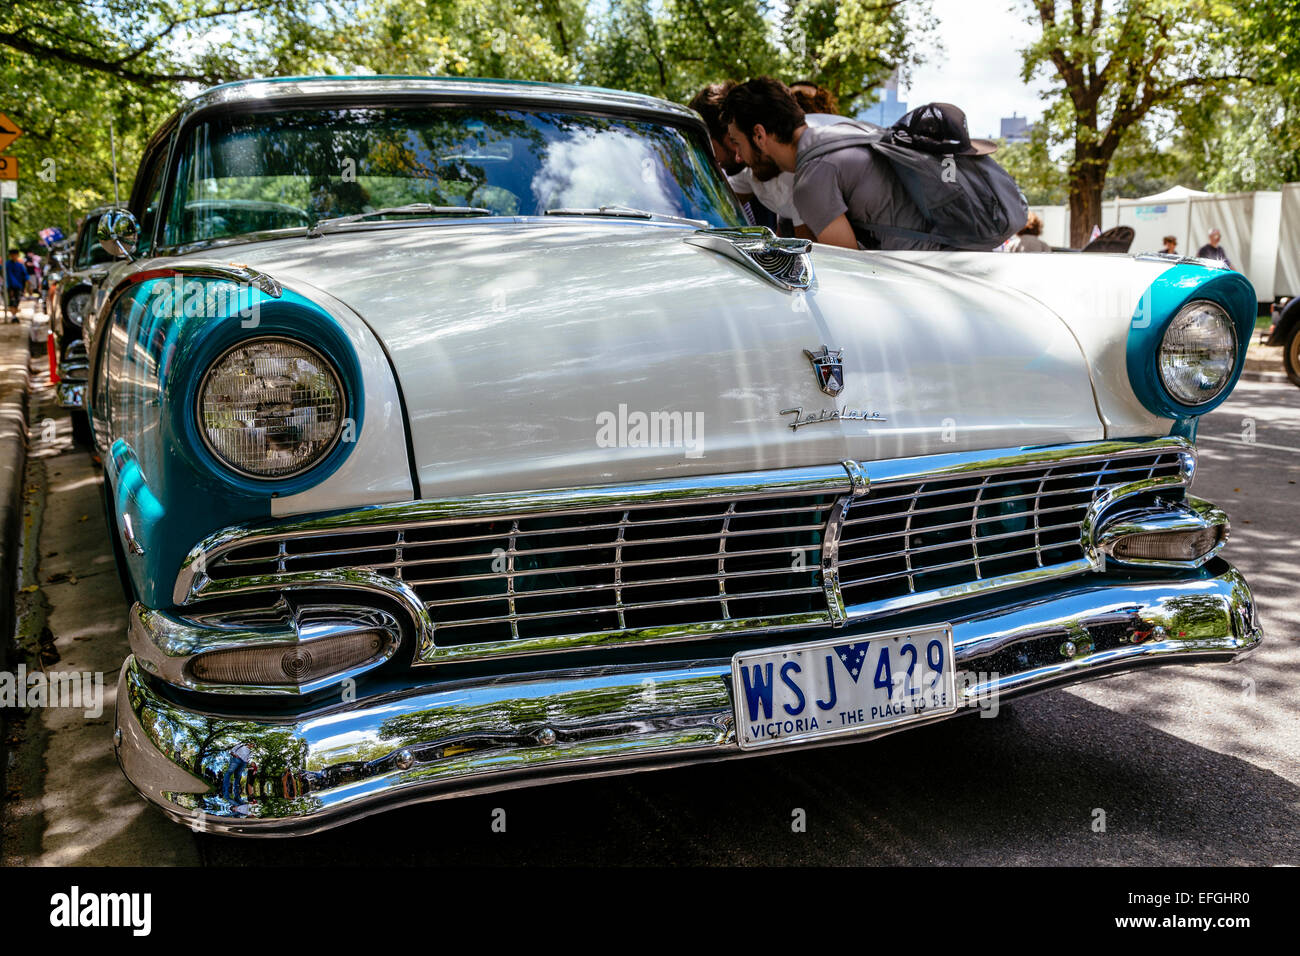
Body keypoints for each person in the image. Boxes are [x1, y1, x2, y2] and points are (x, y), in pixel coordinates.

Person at [721, 78, 942, 250]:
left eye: (737, 143)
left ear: (759, 135)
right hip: (951, 249)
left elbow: (845, 272)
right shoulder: (844, 133)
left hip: (927, 270)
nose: (738, 157)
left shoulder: (811, 180)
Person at [693, 81, 839, 238]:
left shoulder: (793, 167)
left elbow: (806, 250)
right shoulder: (751, 163)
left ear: (730, 138)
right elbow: (715, 211)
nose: (705, 158)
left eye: (705, 147)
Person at [5, 249, 28, 319]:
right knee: (12, 301)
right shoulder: (7, 264)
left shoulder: (20, 265)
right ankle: (13, 316)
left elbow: (25, 275)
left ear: (17, 255)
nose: (13, 256)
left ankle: (14, 314)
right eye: (12, 255)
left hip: (19, 286)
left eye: (15, 255)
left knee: (17, 300)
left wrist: (27, 284)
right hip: (10, 286)